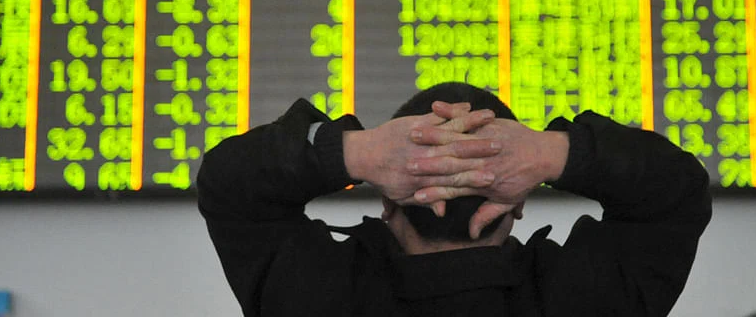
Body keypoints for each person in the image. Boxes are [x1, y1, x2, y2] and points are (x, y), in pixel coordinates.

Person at [197, 82, 712, 316]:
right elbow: (676, 189)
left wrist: (354, 152)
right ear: (518, 201)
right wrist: (552, 152)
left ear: (387, 199)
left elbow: (228, 182)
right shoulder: (589, 298)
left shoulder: (312, 295)